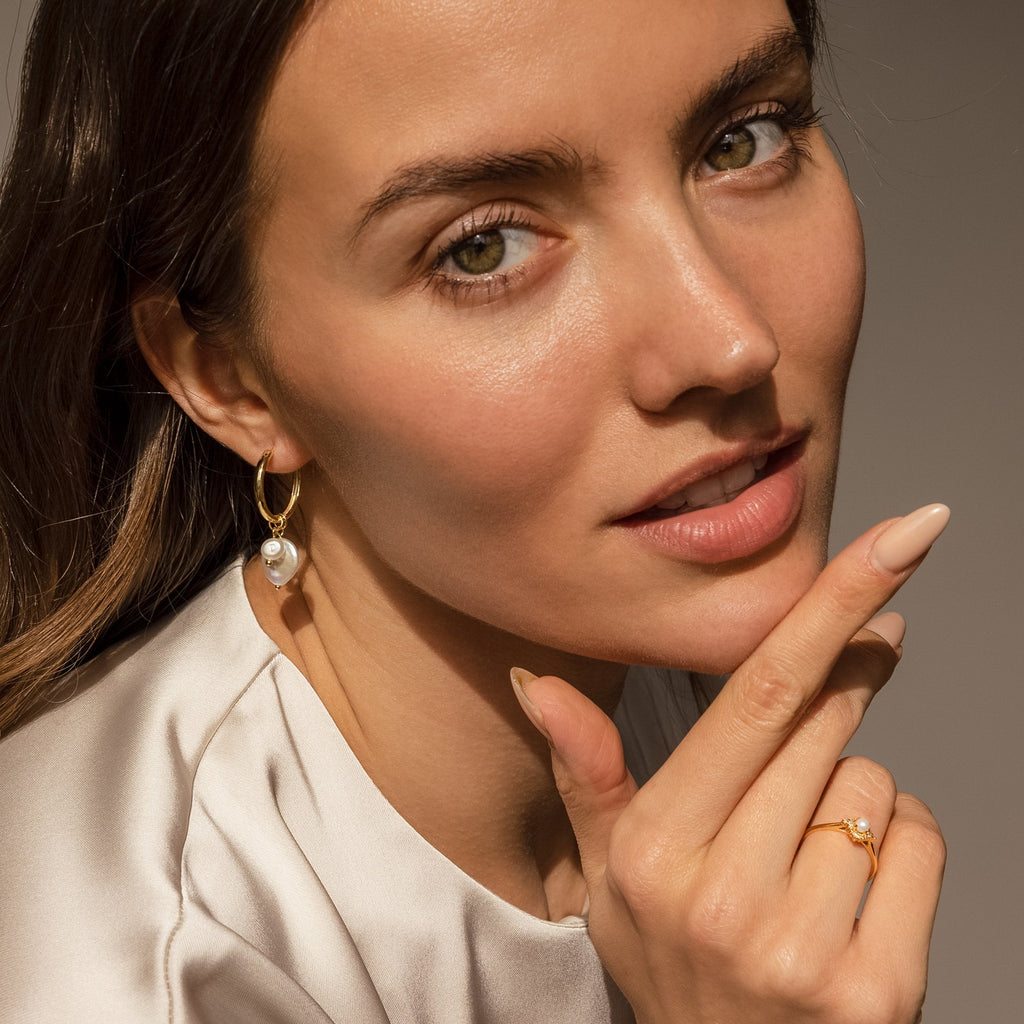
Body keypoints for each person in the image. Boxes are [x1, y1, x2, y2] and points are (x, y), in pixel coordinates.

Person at [0, 0, 950, 1020]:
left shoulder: (618, 664)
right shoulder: (129, 968)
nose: (728, 341)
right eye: (484, 248)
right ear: (229, 379)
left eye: (741, 140)